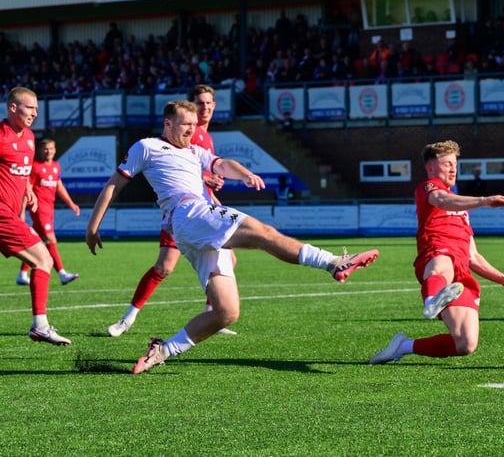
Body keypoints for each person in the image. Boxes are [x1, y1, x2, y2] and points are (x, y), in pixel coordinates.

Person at [86, 100, 379, 373]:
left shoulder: (194, 152)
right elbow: (115, 184)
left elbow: (222, 164)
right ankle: (333, 262)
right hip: (190, 213)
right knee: (264, 233)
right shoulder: (147, 147)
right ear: (168, 123)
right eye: (185, 124)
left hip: (193, 229)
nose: (191, 130)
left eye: (194, 125)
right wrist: (93, 226)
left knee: (226, 312)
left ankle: (162, 351)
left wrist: (245, 174)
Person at [369, 140, 504, 365]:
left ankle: (403, 346)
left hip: (461, 276)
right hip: (435, 253)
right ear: (430, 168)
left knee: (465, 344)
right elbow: (441, 200)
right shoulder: (428, 187)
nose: (453, 169)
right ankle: (432, 301)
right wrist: (484, 200)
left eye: (455, 164)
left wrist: (502, 279)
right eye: (447, 164)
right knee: (443, 263)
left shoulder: (463, 209)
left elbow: (473, 256)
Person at [106, 85, 233, 337]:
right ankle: (127, 318)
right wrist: (206, 179)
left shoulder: (205, 137)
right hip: (182, 213)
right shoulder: (187, 134)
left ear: (214, 106)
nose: (205, 107)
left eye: (208, 103)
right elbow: (176, 170)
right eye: (199, 103)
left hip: (204, 210)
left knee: (227, 258)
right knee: (164, 267)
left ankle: (214, 315)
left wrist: (214, 197)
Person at [0, 87, 71, 345]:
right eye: (29, 107)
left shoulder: (29, 138)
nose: (34, 113)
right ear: (13, 108)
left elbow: (22, 171)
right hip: (2, 215)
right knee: (43, 258)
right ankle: (40, 326)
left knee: (41, 259)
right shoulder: (1, 136)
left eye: (36, 109)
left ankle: (40, 326)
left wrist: (28, 189)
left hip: (9, 214)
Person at [16, 138, 80, 286]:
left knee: (35, 241)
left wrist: (71, 203)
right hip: (39, 210)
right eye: (45, 149)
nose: (48, 151)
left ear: (55, 150)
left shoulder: (56, 166)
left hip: (50, 210)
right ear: (40, 150)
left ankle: (22, 274)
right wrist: (22, 211)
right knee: (51, 240)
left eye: (51, 148)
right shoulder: (35, 167)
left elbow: (59, 186)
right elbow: (27, 189)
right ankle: (62, 274)